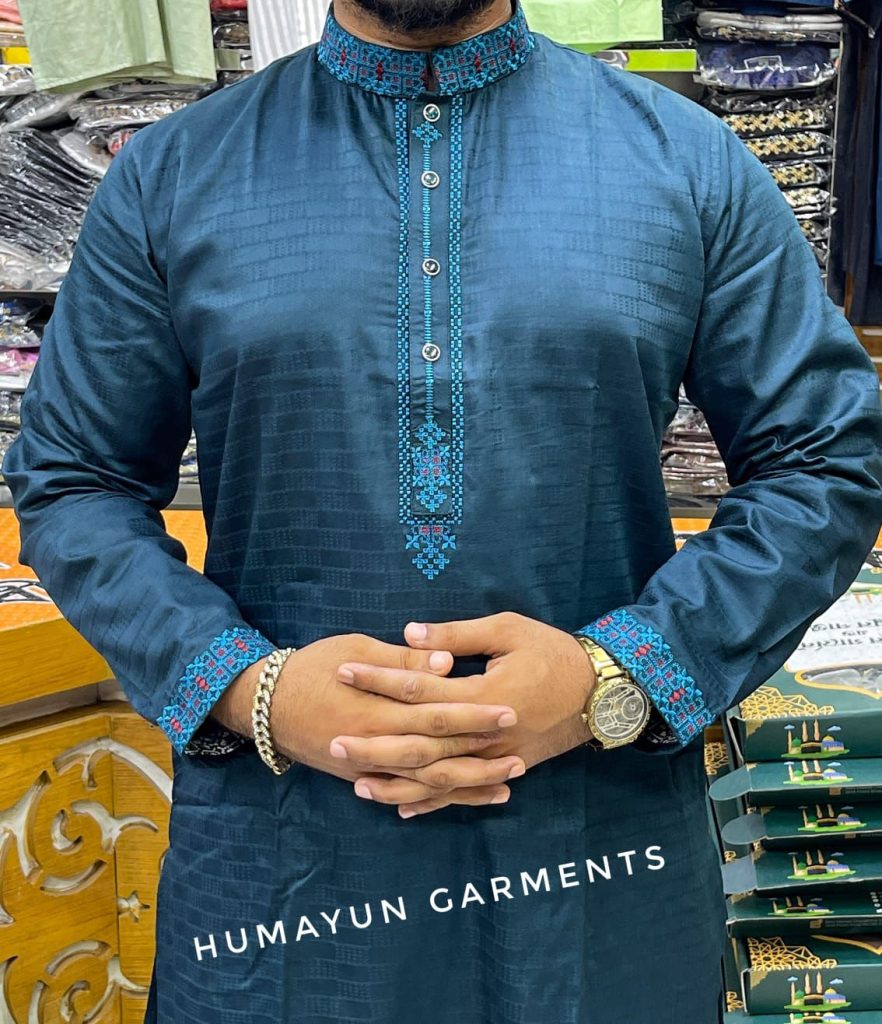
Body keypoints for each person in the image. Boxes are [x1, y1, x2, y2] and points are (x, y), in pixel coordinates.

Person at [5, 1, 881, 1021]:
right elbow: (75, 477)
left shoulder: (684, 162)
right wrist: (252, 689)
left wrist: (618, 675)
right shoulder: (177, 173)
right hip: (280, 861)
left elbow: (825, 459)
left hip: (600, 853)